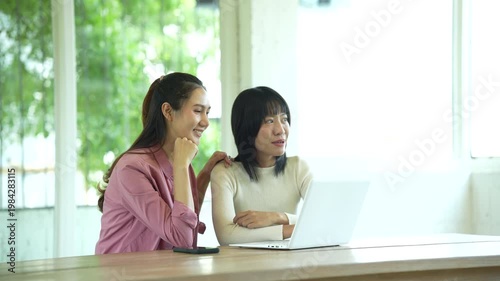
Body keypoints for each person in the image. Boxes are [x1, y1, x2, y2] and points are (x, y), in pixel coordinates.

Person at [95, 72, 231, 254]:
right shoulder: (132, 168)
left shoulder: (180, 162)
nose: (206, 122)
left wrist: (206, 173)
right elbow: (182, 237)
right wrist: (182, 166)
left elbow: (184, 214)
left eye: (207, 112)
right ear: (168, 111)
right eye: (198, 111)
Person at [210, 86, 313, 245]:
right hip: (243, 265)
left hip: (291, 263)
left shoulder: (298, 168)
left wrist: (277, 217)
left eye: (284, 119)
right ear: (247, 128)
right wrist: (291, 229)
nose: (280, 130)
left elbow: (325, 219)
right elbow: (227, 236)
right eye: (269, 121)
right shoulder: (225, 172)